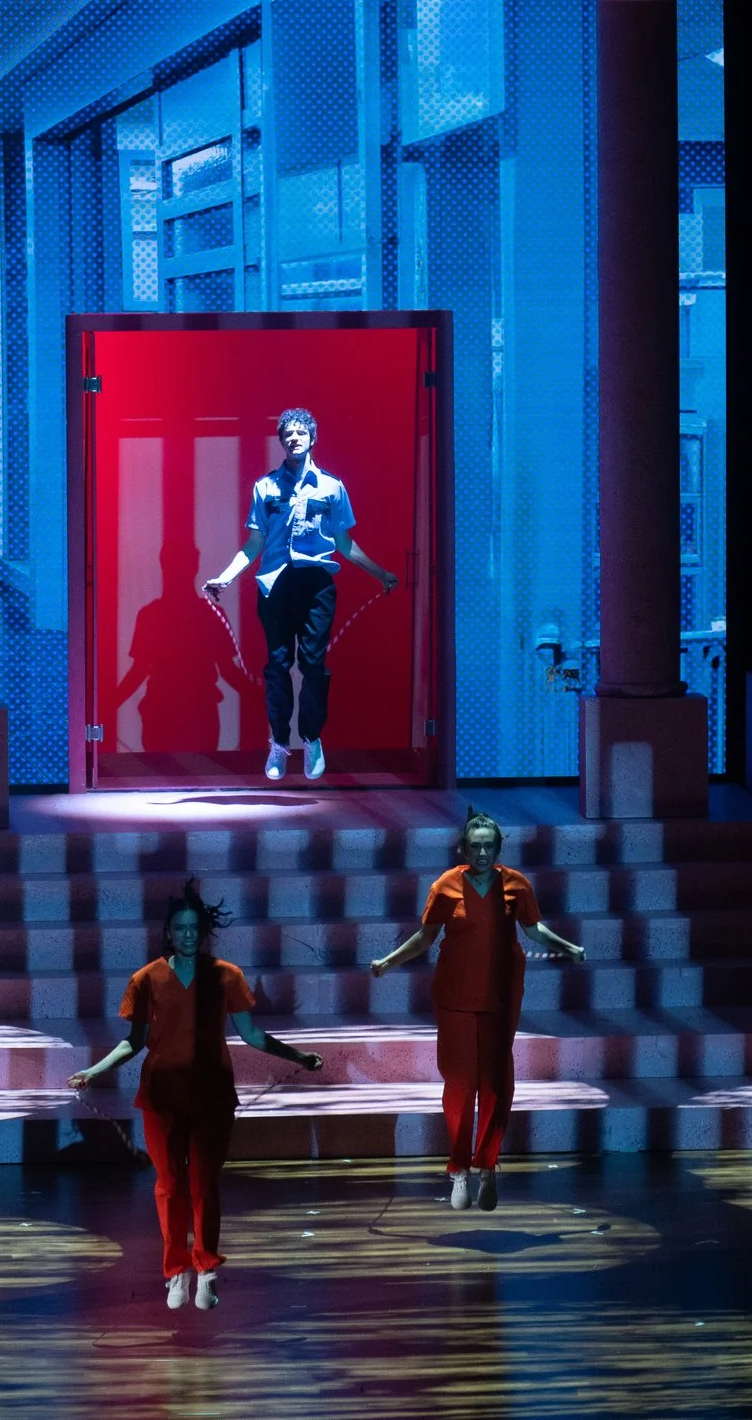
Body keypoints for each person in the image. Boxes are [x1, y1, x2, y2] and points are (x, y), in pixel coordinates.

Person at [67, 881, 322, 1310]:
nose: (187, 934)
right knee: (169, 1185)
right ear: (168, 931)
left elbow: (252, 1034)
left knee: (203, 1184)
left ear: (203, 931)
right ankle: (175, 1272)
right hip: (163, 1095)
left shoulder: (226, 976)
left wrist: (298, 1054)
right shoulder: (146, 979)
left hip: (212, 1095)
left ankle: (206, 1269)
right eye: (179, 927)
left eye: (194, 928)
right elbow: (134, 1041)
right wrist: (93, 1071)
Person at [368, 809, 586, 1211]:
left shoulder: (516, 884)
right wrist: (388, 961)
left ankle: (487, 1166)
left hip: (501, 995)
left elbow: (533, 929)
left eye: (489, 845)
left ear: (499, 848)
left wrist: (568, 947)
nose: (482, 852)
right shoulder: (446, 885)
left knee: (496, 1083)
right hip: (455, 996)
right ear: (463, 848)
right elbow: (424, 937)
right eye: (475, 845)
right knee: (460, 1083)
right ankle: (458, 1169)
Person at [203, 407, 400, 781]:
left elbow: (344, 543)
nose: (293, 438)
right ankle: (279, 743)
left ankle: (311, 738)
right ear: (281, 441)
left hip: (316, 586)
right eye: (287, 434)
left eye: (299, 433)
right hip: (275, 585)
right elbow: (254, 543)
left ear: (312, 438)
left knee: (313, 665)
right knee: (277, 667)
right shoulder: (265, 488)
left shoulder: (332, 487)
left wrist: (380, 574)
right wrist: (224, 578)